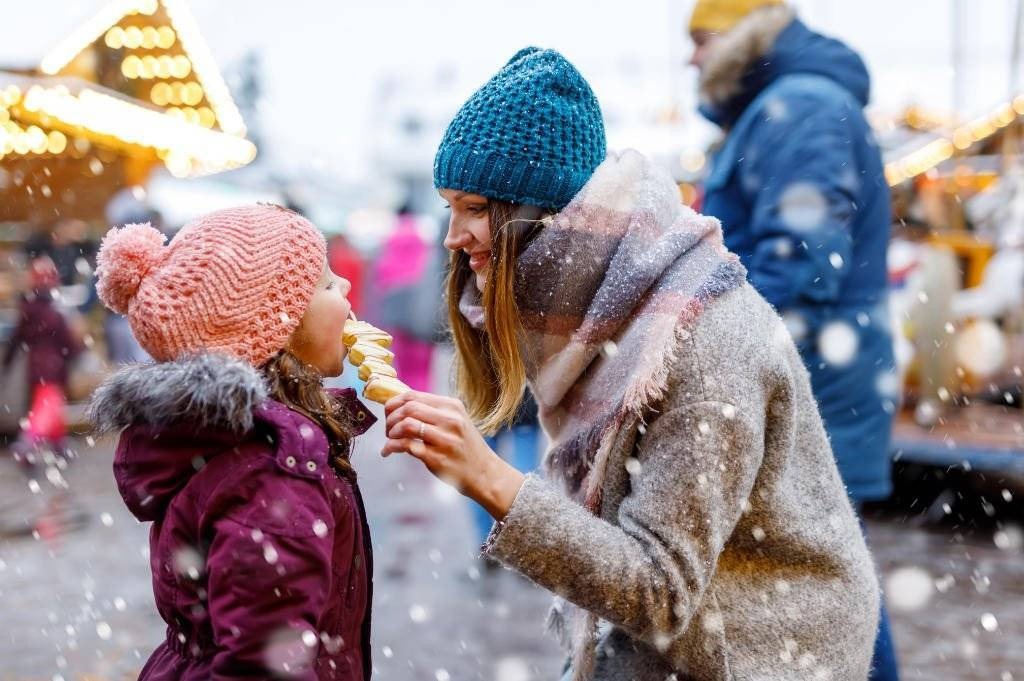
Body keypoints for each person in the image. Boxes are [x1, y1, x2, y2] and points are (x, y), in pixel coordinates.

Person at [382, 47, 879, 681]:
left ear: (545, 211)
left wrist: (491, 479)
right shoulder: (596, 304)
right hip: (673, 642)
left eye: (475, 209)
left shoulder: (701, 341)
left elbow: (659, 591)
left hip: (756, 653)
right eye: (448, 207)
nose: (453, 236)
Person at [688, 2, 899, 677]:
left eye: (700, 40)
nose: (690, 58)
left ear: (742, 34)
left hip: (813, 383)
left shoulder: (799, 105)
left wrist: (715, 352)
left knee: (832, 588)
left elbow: (801, 261)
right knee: (823, 581)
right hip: (808, 377)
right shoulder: (780, 105)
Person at [87, 206, 376, 680]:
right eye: (325, 284)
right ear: (279, 330)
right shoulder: (272, 472)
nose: (344, 287)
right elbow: (265, 664)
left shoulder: (241, 445)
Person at [2, 256, 82, 469]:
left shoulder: (27, 309)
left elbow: (16, 340)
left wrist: (7, 364)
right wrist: (75, 354)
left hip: (36, 367)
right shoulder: (56, 311)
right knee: (47, 408)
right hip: (53, 368)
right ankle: (27, 443)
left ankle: (59, 444)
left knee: (49, 406)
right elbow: (68, 341)